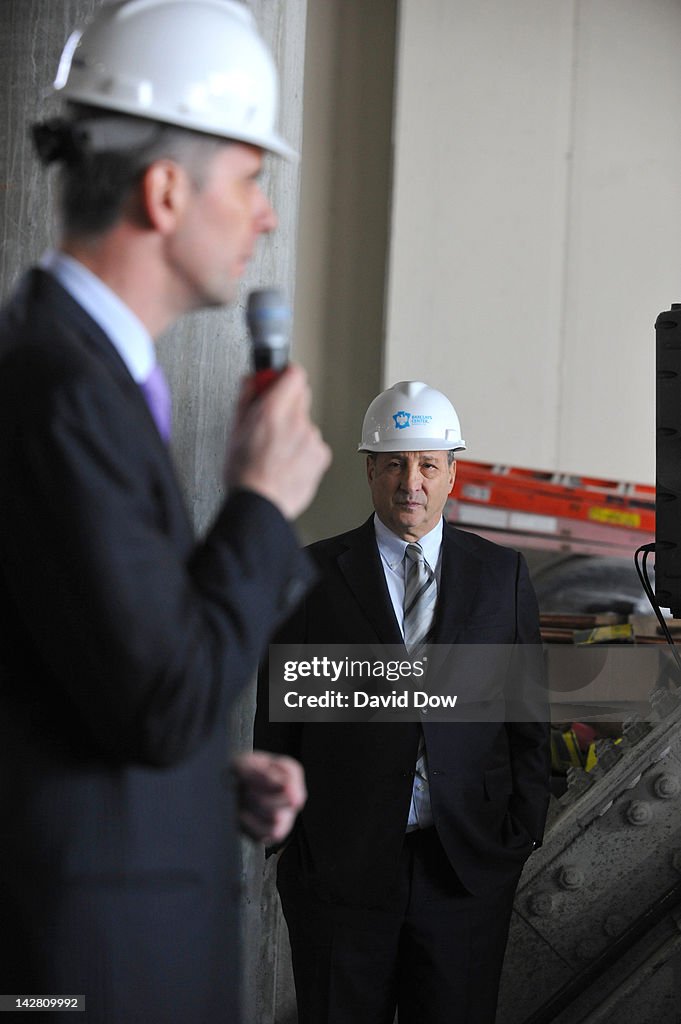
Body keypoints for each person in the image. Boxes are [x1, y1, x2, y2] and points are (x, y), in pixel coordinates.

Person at [0, 2, 330, 1022]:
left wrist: (196, 783)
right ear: (166, 190)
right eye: (250, 179)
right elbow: (162, 701)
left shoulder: (82, 373)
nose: (266, 215)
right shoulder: (59, 390)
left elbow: (88, 665)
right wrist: (262, 503)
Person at [255, 380, 551, 1024]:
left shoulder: (502, 577)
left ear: (452, 473)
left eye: (426, 464)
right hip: (340, 875)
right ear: (370, 469)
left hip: (465, 873)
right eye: (393, 463)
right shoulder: (306, 580)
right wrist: (293, 847)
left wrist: (521, 831)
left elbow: (527, 718)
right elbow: (279, 726)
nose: (409, 481)